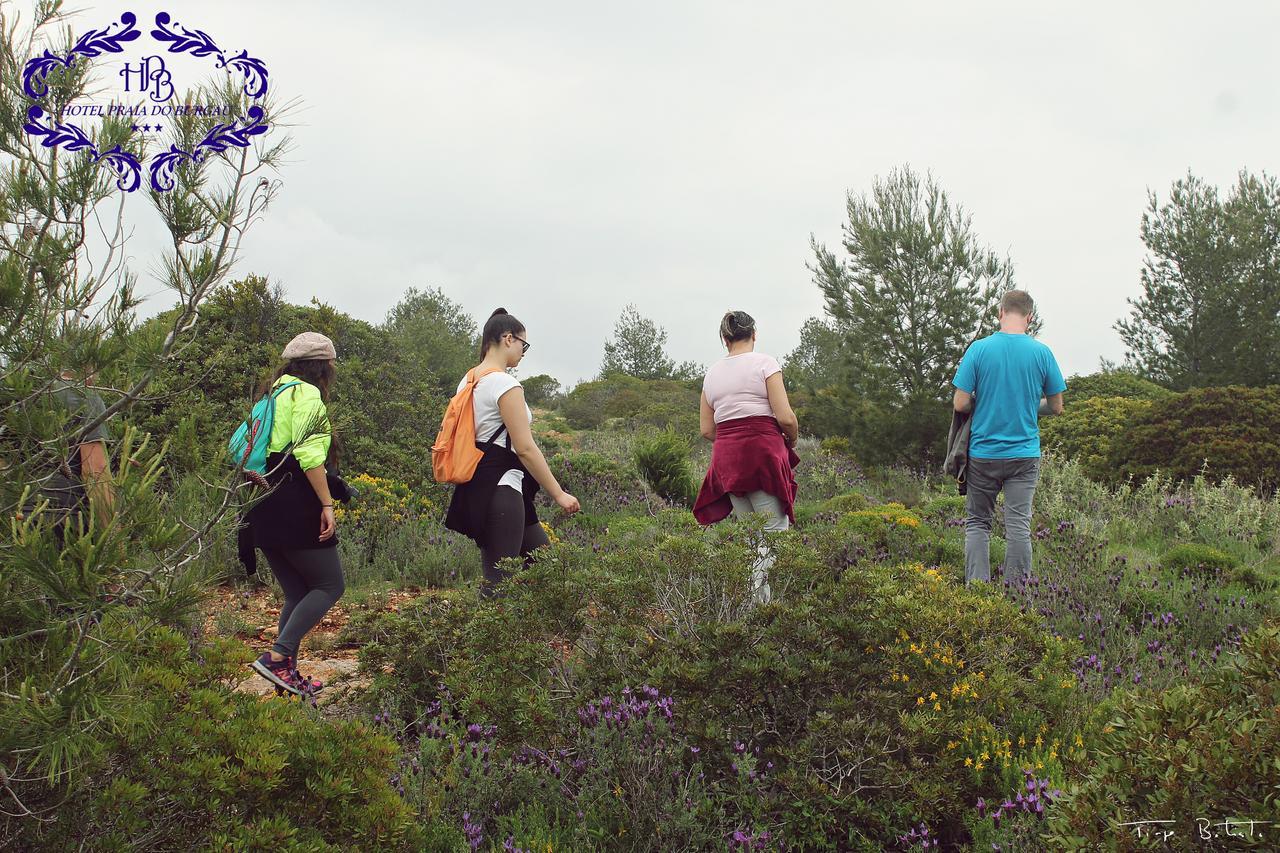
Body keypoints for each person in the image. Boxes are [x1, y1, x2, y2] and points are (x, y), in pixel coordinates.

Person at [444, 309, 580, 597]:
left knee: (545, 564)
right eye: (523, 344)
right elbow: (525, 448)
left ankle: (543, 635)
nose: (523, 352)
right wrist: (559, 494)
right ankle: (484, 641)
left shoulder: (468, 380)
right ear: (508, 339)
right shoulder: (504, 384)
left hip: (479, 485)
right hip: (501, 487)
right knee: (498, 584)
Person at [245, 332, 346, 696]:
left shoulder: (269, 396)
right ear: (322, 366)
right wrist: (326, 504)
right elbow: (309, 455)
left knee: (297, 590)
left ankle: (284, 673)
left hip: (260, 498)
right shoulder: (307, 395)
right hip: (294, 497)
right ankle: (279, 656)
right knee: (330, 585)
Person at [952, 290, 1066, 586]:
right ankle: (1016, 602)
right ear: (1030, 318)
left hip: (983, 454)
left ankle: (976, 595)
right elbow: (1056, 407)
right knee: (1019, 528)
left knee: (978, 524)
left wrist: (986, 400)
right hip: (1024, 456)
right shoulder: (1042, 353)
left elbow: (960, 403)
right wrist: (1029, 405)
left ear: (1000, 312)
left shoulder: (978, 350)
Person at [692, 310, 800, 604]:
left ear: (725, 339)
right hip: (762, 456)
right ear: (754, 334)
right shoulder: (765, 363)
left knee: (753, 537)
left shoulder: (711, 374)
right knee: (774, 535)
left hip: (727, 462)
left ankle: (752, 608)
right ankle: (760, 610)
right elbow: (786, 417)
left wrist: (733, 440)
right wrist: (791, 438)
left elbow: (706, 429)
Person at [41, 367, 116, 542]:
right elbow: (95, 472)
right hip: (68, 521)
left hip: (18, 519)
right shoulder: (84, 396)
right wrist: (113, 541)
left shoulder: (27, 394)